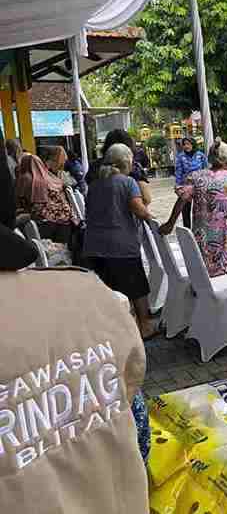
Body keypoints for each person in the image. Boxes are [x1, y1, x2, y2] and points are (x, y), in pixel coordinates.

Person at [0, 136, 150, 513]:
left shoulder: (96, 184)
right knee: (137, 293)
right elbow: (139, 429)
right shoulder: (92, 299)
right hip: (117, 499)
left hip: (97, 248)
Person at [83, 143, 158, 340]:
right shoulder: (127, 182)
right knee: (136, 288)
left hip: (94, 247)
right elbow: (138, 208)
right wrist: (153, 220)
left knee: (110, 290)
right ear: (126, 161)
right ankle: (144, 326)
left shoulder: (95, 185)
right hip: (121, 247)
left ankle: (118, 330)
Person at [160, 138, 227, 278]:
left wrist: (170, 224)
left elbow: (182, 199)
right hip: (224, 242)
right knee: (224, 277)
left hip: (201, 241)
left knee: (202, 277)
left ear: (209, 158)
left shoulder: (195, 176)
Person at [15, 153, 77, 244]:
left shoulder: (29, 180)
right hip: (67, 220)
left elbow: (30, 206)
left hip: (49, 223)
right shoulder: (50, 178)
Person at [174, 136, 207, 228]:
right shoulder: (180, 157)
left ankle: (200, 229)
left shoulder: (201, 155)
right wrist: (178, 186)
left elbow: (206, 170)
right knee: (185, 210)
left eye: (188, 144)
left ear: (193, 145)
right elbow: (178, 172)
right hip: (186, 187)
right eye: (184, 144)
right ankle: (187, 230)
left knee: (200, 210)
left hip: (199, 186)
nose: (186, 146)